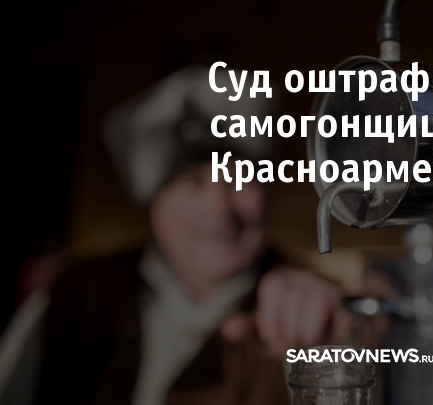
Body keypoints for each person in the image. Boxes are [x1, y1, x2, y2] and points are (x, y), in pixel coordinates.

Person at [0, 66, 352, 405]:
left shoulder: (317, 313)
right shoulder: (70, 298)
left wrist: (331, 346)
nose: (219, 206)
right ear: (152, 201)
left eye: (242, 176)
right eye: (191, 182)